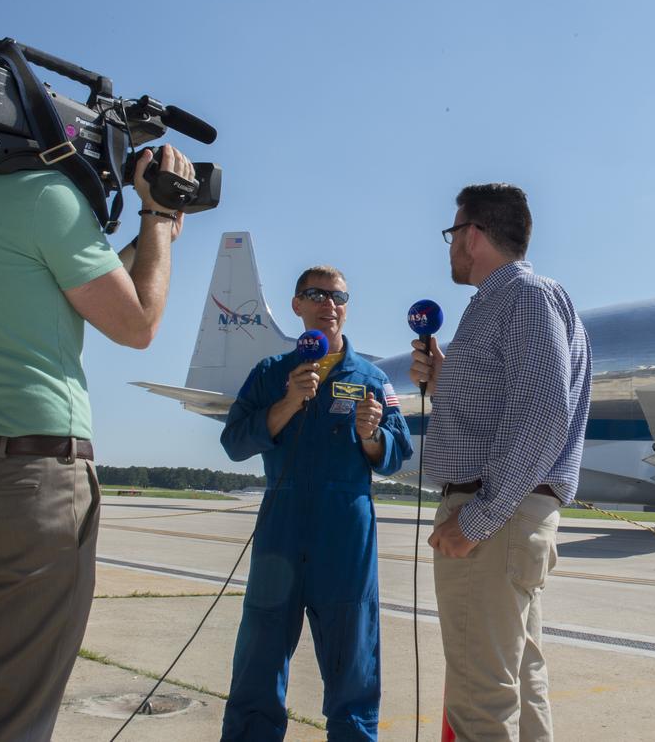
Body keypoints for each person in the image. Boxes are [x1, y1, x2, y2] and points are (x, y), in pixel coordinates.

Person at [0, 147, 196, 739]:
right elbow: (136, 324)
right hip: (20, 492)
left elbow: (67, 289)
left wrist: (139, 243)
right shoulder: (45, 198)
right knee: (5, 720)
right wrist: (157, 223)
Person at [410, 183, 591, 742]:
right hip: (510, 516)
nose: (449, 248)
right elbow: (503, 412)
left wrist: (477, 519)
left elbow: (542, 416)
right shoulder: (505, 302)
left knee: (478, 699)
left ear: (474, 235)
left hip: (496, 518)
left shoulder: (523, 297)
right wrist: (445, 383)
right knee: (519, 681)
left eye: (452, 233)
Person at [220, 266, 412, 741]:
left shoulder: (372, 377)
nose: (329, 303)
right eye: (316, 294)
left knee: (354, 666)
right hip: (280, 531)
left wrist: (372, 437)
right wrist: (287, 403)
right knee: (258, 660)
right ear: (296, 305)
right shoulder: (269, 375)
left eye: (338, 296)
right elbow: (235, 443)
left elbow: (398, 452)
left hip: (344, 535)